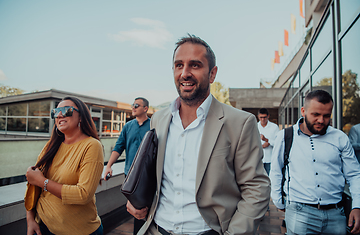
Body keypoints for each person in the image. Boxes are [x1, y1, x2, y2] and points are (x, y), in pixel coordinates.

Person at [127, 34, 270, 235]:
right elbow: (155, 176)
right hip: (157, 229)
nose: (185, 73)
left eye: (195, 65)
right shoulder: (158, 119)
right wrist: (137, 201)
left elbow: (256, 187)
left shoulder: (240, 122)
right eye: (179, 65)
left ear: (212, 74)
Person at [270, 90, 360, 235]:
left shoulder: (340, 138)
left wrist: (357, 206)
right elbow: (275, 170)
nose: (321, 120)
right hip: (299, 213)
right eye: (316, 114)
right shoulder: (285, 136)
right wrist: (278, 201)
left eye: (326, 116)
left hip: (336, 215)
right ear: (303, 111)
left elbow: (354, 175)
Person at [25, 97, 104, 235]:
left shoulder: (92, 146)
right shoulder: (50, 146)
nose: (60, 115)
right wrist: (30, 219)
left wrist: (42, 181)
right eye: (56, 112)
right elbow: (32, 184)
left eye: (66, 110)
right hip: (43, 226)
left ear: (81, 117)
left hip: (79, 231)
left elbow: (83, 194)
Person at [104, 97, 150, 234]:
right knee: (135, 209)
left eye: (137, 105)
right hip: (130, 174)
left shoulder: (154, 125)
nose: (133, 107)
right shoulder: (128, 126)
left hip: (147, 175)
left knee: (145, 209)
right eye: (133, 105)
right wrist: (109, 166)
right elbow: (118, 147)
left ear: (145, 108)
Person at [257, 108, 279, 175]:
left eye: (265, 117)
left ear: (268, 116)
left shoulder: (274, 127)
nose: (263, 119)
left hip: (270, 159)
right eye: (261, 117)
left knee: (270, 179)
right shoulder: (255, 126)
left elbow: (278, 142)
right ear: (258, 116)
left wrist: (268, 141)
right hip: (258, 159)